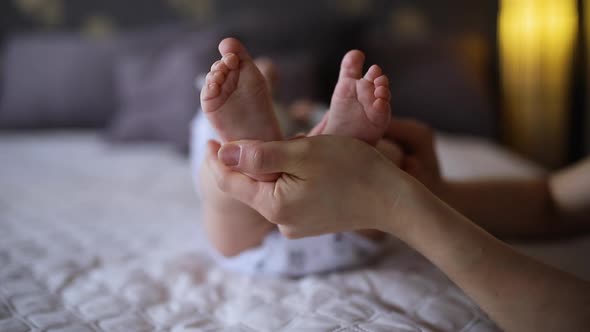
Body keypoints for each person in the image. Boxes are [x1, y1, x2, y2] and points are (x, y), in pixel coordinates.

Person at [204, 116, 590, 332]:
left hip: (277, 241)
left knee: (223, 187)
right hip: (355, 231)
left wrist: (395, 200)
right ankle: (264, 134)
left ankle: (250, 135)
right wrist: (432, 193)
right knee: (227, 195)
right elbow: (553, 203)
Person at [192, 37, 401, 276]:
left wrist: (308, 113)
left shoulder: (297, 112)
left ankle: (257, 158)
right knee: (383, 159)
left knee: (220, 176)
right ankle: (346, 152)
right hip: (349, 232)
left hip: (250, 248)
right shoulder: (301, 114)